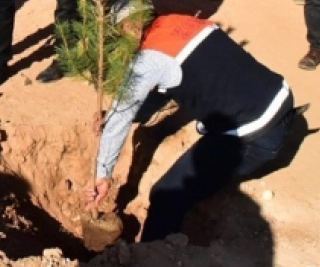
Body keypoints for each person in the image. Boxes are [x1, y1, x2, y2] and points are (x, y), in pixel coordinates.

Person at [87, 14, 299, 242]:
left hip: (253, 134)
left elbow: (124, 114)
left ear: (128, 28)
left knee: (166, 197)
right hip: (278, 96)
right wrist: (112, 116)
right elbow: (162, 88)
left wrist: (103, 174)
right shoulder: (176, 22)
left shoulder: (149, 60)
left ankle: (151, 255)